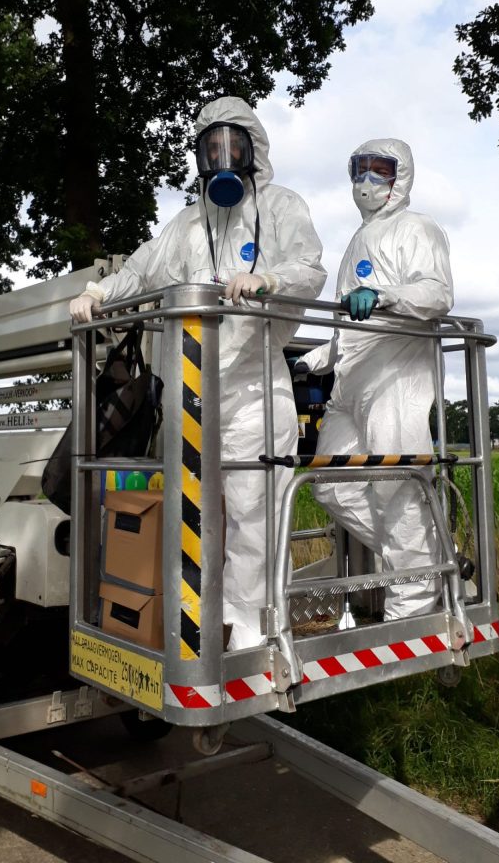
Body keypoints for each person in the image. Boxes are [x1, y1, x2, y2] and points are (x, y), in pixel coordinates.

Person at [70, 96, 326, 649]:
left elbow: (309, 268)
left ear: (253, 148)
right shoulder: (189, 223)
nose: (223, 156)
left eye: (233, 144)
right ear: (200, 156)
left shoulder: (281, 207)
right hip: (192, 391)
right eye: (212, 147)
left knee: (255, 511)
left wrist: (271, 280)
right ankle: (200, 621)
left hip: (256, 386)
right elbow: (141, 270)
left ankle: (252, 626)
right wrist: (97, 293)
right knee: (197, 512)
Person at [296, 138, 453, 620]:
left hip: (395, 377)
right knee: (330, 484)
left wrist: (381, 294)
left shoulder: (417, 228)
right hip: (351, 382)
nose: (367, 181)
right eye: (359, 170)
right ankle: (426, 564)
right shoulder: (357, 241)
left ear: (400, 176)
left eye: (379, 170)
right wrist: (315, 359)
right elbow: (351, 327)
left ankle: (410, 610)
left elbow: (436, 294)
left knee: (394, 488)